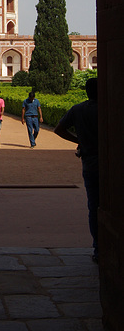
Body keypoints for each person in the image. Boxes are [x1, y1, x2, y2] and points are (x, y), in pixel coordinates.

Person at [54, 78, 99, 262]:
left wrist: (79, 141)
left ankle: (99, 249)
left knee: (94, 206)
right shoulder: (111, 107)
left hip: (89, 162)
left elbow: (59, 129)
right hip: (111, 163)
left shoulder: (78, 109)